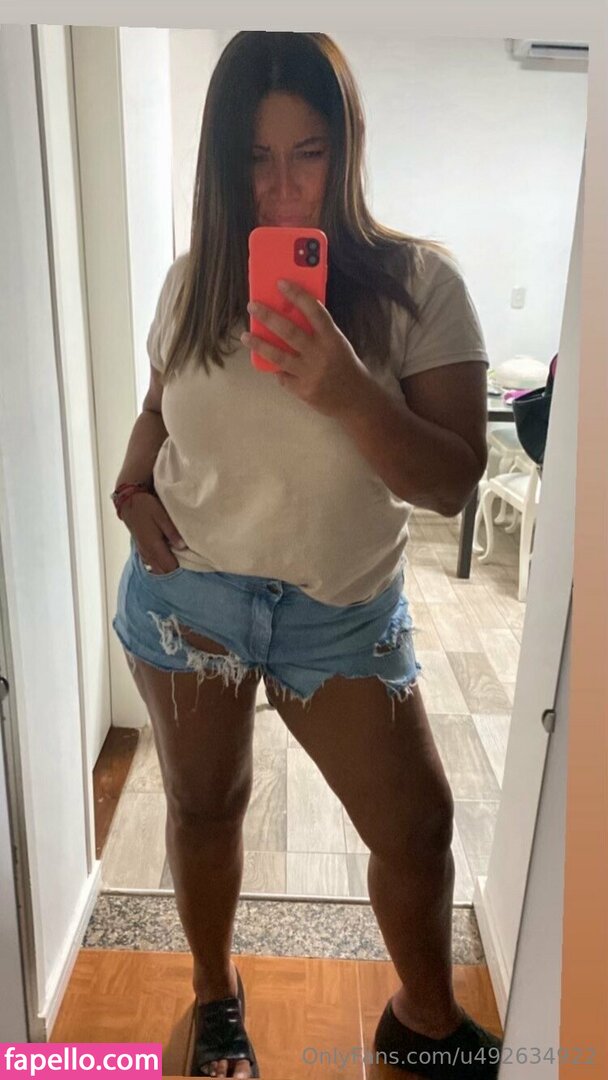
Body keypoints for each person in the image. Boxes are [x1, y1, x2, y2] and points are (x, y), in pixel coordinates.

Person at [111, 31, 502, 1080]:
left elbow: (451, 481)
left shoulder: (420, 285)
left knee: (416, 829)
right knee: (204, 806)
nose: (282, 188)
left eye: (308, 153)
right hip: (190, 598)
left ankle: (423, 1022)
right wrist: (131, 485)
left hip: (340, 609)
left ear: (346, 148)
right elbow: (157, 407)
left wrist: (346, 389)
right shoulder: (193, 282)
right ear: (221, 164)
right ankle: (216, 1002)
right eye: (255, 158)